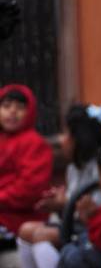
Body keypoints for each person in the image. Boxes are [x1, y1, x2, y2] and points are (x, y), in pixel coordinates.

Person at [0, 103, 101, 268]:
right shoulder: (73, 168)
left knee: (40, 235)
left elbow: (97, 208)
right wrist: (60, 202)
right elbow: (72, 204)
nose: (61, 140)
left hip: (95, 231)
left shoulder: (98, 167)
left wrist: (66, 204)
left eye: (66, 134)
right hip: (77, 225)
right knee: (25, 231)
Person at [0, 85, 53, 249]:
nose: (12, 112)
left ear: (30, 112)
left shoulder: (34, 143)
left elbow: (29, 189)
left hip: (19, 221)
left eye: (20, 108)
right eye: (6, 106)